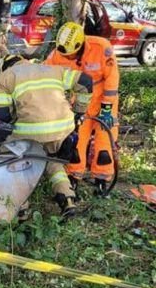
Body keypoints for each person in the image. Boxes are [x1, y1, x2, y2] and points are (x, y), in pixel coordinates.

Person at [0, 55, 94, 217]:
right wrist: (79, 112)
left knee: (7, 162)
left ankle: (21, 209)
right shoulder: (52, 69)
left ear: (4, 66)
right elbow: (86, 82)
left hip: (29, 133)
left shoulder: (5, 77)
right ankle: (67, 199)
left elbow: (2, 115)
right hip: (62, 130)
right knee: (51, 161)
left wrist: (15, 117)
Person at [45, 22, 119, 195]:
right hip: (80, 103)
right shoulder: (58, 54)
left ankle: (102, 178)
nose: (68, 58)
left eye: (71, 55)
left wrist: (107, 107)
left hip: (103, 99)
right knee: (77, 140)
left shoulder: (101, 48)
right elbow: (44, 71)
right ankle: (73, 176)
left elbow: (112, 78)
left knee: (104, 142)